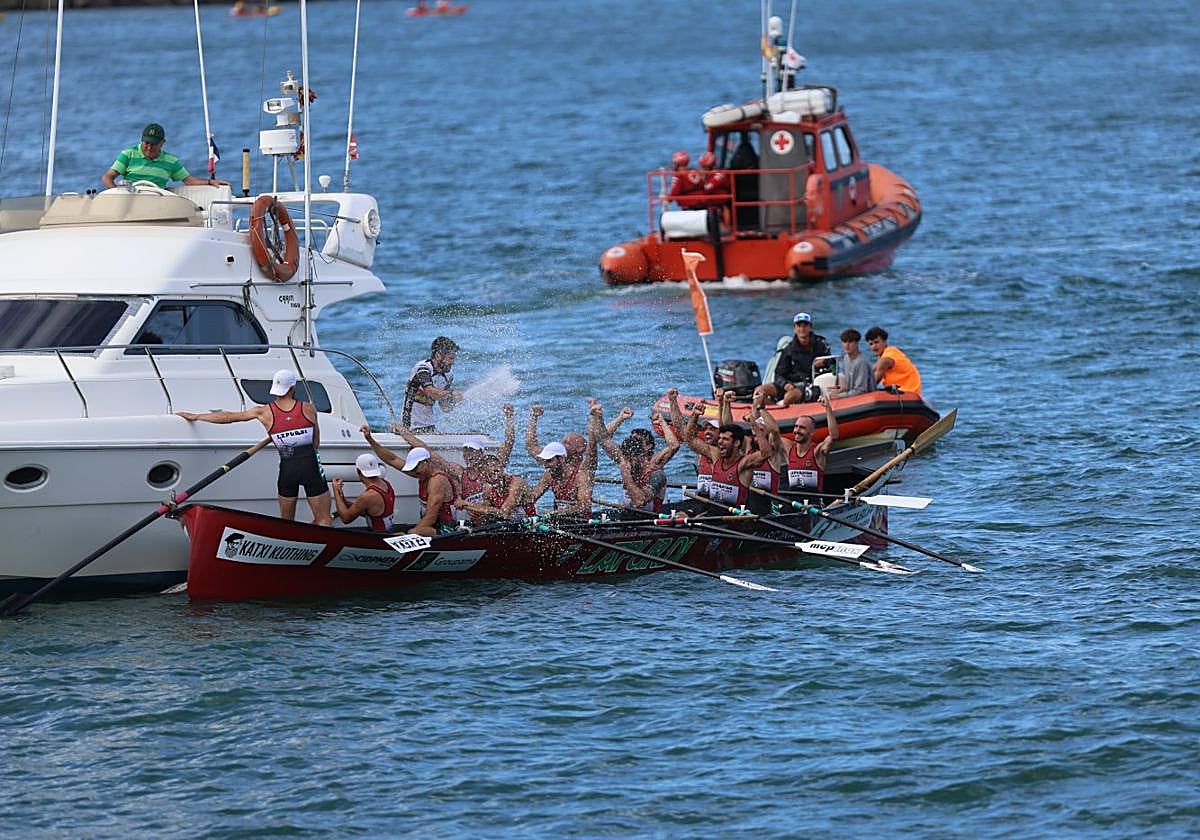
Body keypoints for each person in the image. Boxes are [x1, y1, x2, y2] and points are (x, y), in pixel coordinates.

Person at [177, 368, 331, 525]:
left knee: (287, 523)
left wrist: (197, 416)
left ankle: (289, 545)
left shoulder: (263, 412)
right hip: (310, 467)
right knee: (324, 518)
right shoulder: (308, 408)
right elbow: (315, 442)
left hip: (288, 470)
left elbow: (229, 417)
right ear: (293, 388)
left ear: (275, 388)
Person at [361, 430, 458, 536]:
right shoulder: (422, 473)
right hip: (432, 526)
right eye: (413, 468)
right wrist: (370, 440)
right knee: (410, 531)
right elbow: (392, 459)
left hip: (447, 529)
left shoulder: (437, 481)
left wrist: (409, 535)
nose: (415, 471)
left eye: (416, 467)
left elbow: (431, 517)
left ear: (426, 462)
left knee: (413, 531)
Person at [590, 403, 679, 513]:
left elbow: (674, 446)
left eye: (638, 441)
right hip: (627, 514)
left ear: (645, 449)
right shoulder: (625, 458)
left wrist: (662, 422)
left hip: (649, 518)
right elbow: (603, 440)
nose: (628, 462)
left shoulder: (654, 464)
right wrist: (608, 418)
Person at [102, 123, 229, 190]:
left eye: (154, 144)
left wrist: (210, 182)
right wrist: (117, 194)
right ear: (141, 140)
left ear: (162, 143)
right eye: (146, 143)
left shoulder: (171, 161)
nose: (149, 147)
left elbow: (189, 180)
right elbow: (107, 178)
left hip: (157, 204)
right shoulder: (128, 154)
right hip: (129, 200)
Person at [756, 393, 838, 492]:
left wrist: (828, 408)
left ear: (812, 432)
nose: (797, 430)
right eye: (796, 426)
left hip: (813, 502)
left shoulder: (818, 451)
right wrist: (760, 407)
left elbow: (833, 437)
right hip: (794, 502)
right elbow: (774, 431)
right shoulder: (788, 448)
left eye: (802, 428)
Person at [759, 312, 832, 406]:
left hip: (808, 384)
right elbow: (778, 373)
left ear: (810, 327)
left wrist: (823, 362)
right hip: (791, 384)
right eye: (799, 326)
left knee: (789, 397)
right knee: (759, 392)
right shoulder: (788, 350)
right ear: (795, 328)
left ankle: (781, 411)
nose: (802, 329)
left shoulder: (821, 345)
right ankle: (773, 411)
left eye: (805, 325)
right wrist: (785, 384)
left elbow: (831, 363)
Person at [400, 336, 463, 433]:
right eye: (450, 358)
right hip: (410, 426)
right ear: (438, 356)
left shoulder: (449, 375)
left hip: (429, 426)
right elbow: (431, 392)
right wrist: (451, 393)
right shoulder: (422, 368)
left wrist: (454, 401)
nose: (453, 362)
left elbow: (445, 408)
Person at [456, 455, 537, 521]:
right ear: (483, 476)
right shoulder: (488, 489)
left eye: (496, 471)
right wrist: (471, 510)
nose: (495, 478)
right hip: (506, 526)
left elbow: (504, 513)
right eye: (489, 476)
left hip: (529, 526)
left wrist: (467, 504)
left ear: (501, 468)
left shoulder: (517, 483)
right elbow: (485, 513)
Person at [331, 453, 395, 532]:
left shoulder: (369, 496)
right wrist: (342, 497)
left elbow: (345, 519)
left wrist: (335, 491)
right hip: (389, 530)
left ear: (358, 471)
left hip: (378, 536)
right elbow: (366, 510)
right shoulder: (386, 484)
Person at [528, 439, 593, 515]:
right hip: (560, 519)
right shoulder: (548, 475)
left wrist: (561, 512)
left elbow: (584, 506)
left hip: (581, 522)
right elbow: (533, 497)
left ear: (561, 459)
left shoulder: (580, 476)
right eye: (544, 461)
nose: (545, 465)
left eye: (549, 461)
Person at [865, 326, 922, 394]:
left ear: (885, 342)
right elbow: (871, 370)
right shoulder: (889, 353)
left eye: (876, 342)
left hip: (907, 392)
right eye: (871, 344)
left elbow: (871, 384)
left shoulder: (887, 358)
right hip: (907, 392)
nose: (874, 346)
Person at [835, 328, 875, 397]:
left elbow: (861, 390)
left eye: (850, 342)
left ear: (857, 343)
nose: (847, 345)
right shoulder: (845, 358)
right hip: (852, 396)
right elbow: (846, 386)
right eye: (844, 342)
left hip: (866, 398)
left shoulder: (861, 362)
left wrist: (838, 396)